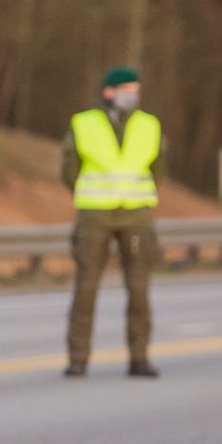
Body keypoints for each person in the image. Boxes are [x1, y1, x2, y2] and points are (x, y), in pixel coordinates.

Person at [62, 66, 166, 378]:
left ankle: (139, 357)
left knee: (138, 289)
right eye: (127, 89)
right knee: (86, 289)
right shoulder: (84, 123)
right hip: (94, 214)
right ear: (109, 91)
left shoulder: (149, 125)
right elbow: (70, 169)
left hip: (136, 214)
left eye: (135, 89)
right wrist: (87, 193)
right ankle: (78, 358)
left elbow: (159, 167)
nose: (133, 95)